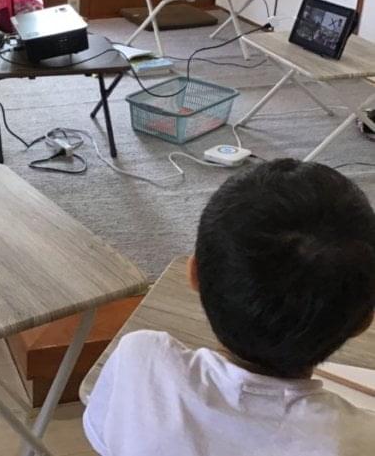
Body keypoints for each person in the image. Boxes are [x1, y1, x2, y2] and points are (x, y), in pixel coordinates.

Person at [83, 159, 375, 456]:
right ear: (365, 320)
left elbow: (104, 436)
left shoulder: (140, 362)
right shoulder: (359, 440)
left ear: (193, 274)